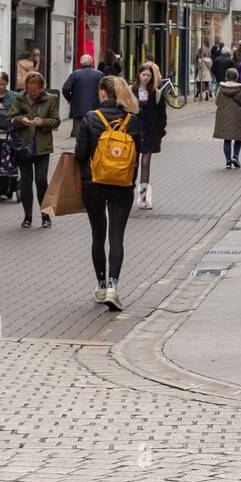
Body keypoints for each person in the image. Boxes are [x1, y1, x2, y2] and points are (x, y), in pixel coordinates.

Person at [75, 74, 141, 310]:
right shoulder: (133, 121)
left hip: (94, 184)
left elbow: (80, 154)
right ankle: (114, 287)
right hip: (122, 186)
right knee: (116, 236)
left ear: (103, 93)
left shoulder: (91, 118)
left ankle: (101, 286)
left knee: (98, 235)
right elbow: (137, 156)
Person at [10, 71, 60, 229]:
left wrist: (43, 122)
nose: (34, 93)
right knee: (25, 182)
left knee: (41, 181)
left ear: (42, 88)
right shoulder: (19, 98)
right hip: (23, 146)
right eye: (31, 90)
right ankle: (27, 217)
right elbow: (11, 117)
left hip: (42, 147)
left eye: (37, 90)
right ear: (26, 87)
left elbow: (56, 120)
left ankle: (45, 216)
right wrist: (21, 120)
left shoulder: (49, 100)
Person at [132, 61, 167, 209]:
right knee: (131, 165)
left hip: (149, 133)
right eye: (143, 74)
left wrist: (159, 132)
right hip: (132, 133)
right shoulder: (130, 91)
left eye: (148, 75)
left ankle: (143, 198)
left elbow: (162, 116)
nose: (145, 77)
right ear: (138, 75)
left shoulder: (156, 94)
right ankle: (125, 196)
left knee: (145, 164)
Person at [62, 54, 103, 136]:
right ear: (91, 62)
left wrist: (70, 99)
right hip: (95, 108)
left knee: (79, 134)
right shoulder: (99, 74)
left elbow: (65, 88)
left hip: (78, 108)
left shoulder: (75, 74)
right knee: (94, 133)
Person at [213, 67, 241, 167]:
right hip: (238, 116)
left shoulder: (221, 88)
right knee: (238, 137)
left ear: (226, 77)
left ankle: (228, 161)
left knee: (226, 139)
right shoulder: (240, 89)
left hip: (224, 116)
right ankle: (235, 156)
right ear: (236, 77)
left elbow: (217, 102)